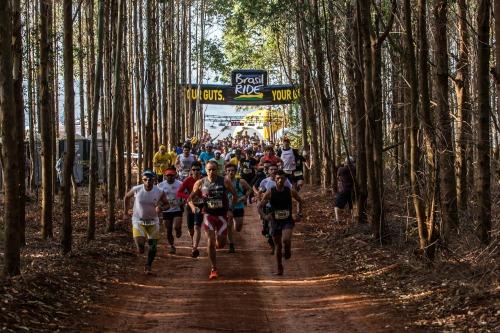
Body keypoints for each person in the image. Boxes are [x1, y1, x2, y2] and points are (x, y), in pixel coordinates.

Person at [188, 161, 237, 279]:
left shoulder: (225, 181)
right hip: (208, 215)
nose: (211, 172)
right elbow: (190, 198)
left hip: (222, 215)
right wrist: (193, 207)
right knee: (210, 241)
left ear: (218, 170)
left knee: (220, 244)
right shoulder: (200, 183)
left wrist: (230, 209)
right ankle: (214, 268)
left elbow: (234, 195)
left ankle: (216, 242)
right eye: (209, 169)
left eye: (214, 169)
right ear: (205, 170)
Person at [123, 170, 169, 274]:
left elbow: (167, 204)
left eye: (150, 179)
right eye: (145, 179)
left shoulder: (159, 191)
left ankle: (148, 265)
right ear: (142, 180)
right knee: (140, 247)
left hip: (153, 221)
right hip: (138, 220)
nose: (148, 181)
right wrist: (125, 212)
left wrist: (161, 208)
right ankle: (141, 247)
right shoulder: (136, 189)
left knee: (153, 246)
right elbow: (126, 197)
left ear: (154, 180)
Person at [258, 170, 304, 276]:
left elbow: (300, 201)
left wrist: (299, 214)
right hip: (275, 221)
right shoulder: (270, 191)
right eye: (278, 178)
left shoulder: (290, 191)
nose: (280, 180)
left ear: (285, 179)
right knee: (278, 246)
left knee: (286, 239)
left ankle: (287, 249)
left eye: (282, 178)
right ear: (274, 179)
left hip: (287, 220)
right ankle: (279, 266)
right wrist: (265, 216)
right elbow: (260, 206)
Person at [177, 161, 205, 257]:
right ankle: (192, 241)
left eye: (198, 169)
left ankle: (195, 248)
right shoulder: (187, 180)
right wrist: (188, 197)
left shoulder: (205, 180)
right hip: (190, 205)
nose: (196, 171)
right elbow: (179, 193)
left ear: (201, 170)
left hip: (201, 205)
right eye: (194, 169)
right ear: (191, 171)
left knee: (197, 226)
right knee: (191, 229)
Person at [224, 163, 252, 253]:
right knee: (228, 225)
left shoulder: (241, 181)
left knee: (238, 228)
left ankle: (231, 235)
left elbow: (249, 189)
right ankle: (231, 244)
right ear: (226, 172)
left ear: (236, 171)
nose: (230, 172)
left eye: (232, 170)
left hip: (238, 206)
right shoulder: (223, 181)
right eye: (228, 171)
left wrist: (245, 196)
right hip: (228, 207)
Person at [158, 167, 183, 254]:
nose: (170, 177)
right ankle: (172, 246)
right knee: (168, 229)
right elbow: (157, 197)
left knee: (176, 226)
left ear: (175, 175)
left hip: (177, 208)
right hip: (166, 210)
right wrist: (160, 205)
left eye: (172, 175)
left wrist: (183, 202)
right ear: (165, 176)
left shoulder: (180, 184)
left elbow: (185, 194)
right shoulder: (160, 185)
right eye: (168, 175)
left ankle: (178, 229)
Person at [334, 157, 356, 223]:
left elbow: (338, 177)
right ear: (352, 163)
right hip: (353, 190)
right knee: (352, 206)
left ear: (345, 162)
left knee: (337, 206)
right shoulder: (355, 169)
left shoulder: (341, 169)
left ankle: (338, 219)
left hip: (344, 190)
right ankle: (353, 220)